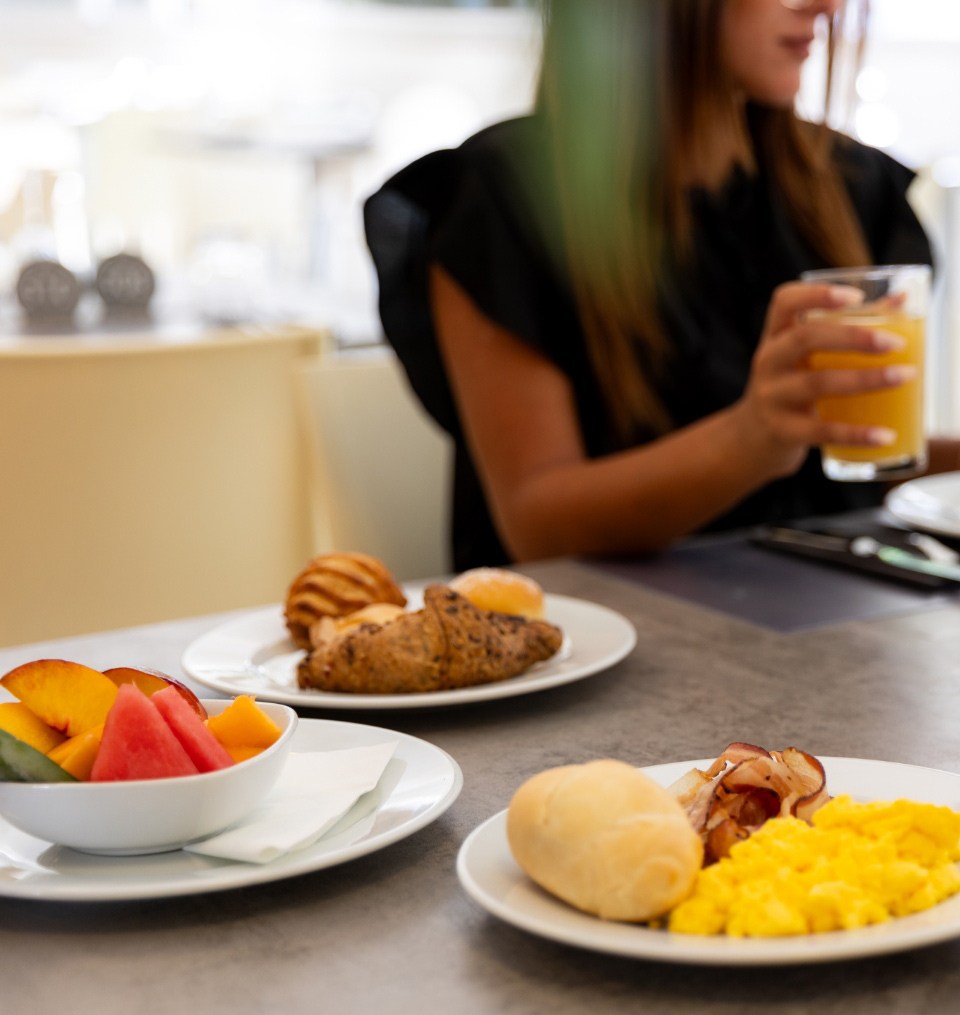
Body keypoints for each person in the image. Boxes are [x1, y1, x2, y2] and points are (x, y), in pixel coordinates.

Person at [364, 0, 959, 571]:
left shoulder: (852, 185)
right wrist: (750, 438)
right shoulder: (509, 198)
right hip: (613, 643)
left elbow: (869, 452)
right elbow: (536, 526)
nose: (827, 6)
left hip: (847, 620)